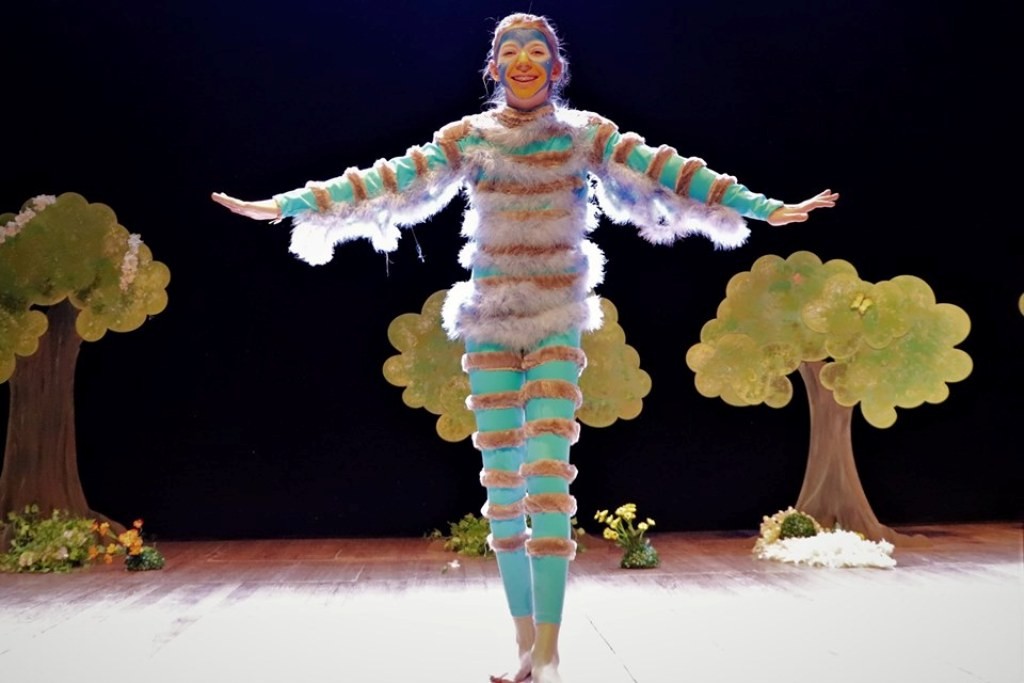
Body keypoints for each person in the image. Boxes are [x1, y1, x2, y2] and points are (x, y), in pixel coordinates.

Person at [212, 13, 837, 683]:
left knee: (546, 477)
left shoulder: (583, 134)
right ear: (493, 68)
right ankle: (522, 644)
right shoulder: (470, 138)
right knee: (503, 491)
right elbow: (388, 178)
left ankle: (550, 650)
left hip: (555, 320)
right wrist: (289, 204)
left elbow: (670, 170)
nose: (524, 60)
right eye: (510, 51)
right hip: (488, 322)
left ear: (556, 67)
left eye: (537, 50)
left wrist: (763, 206)